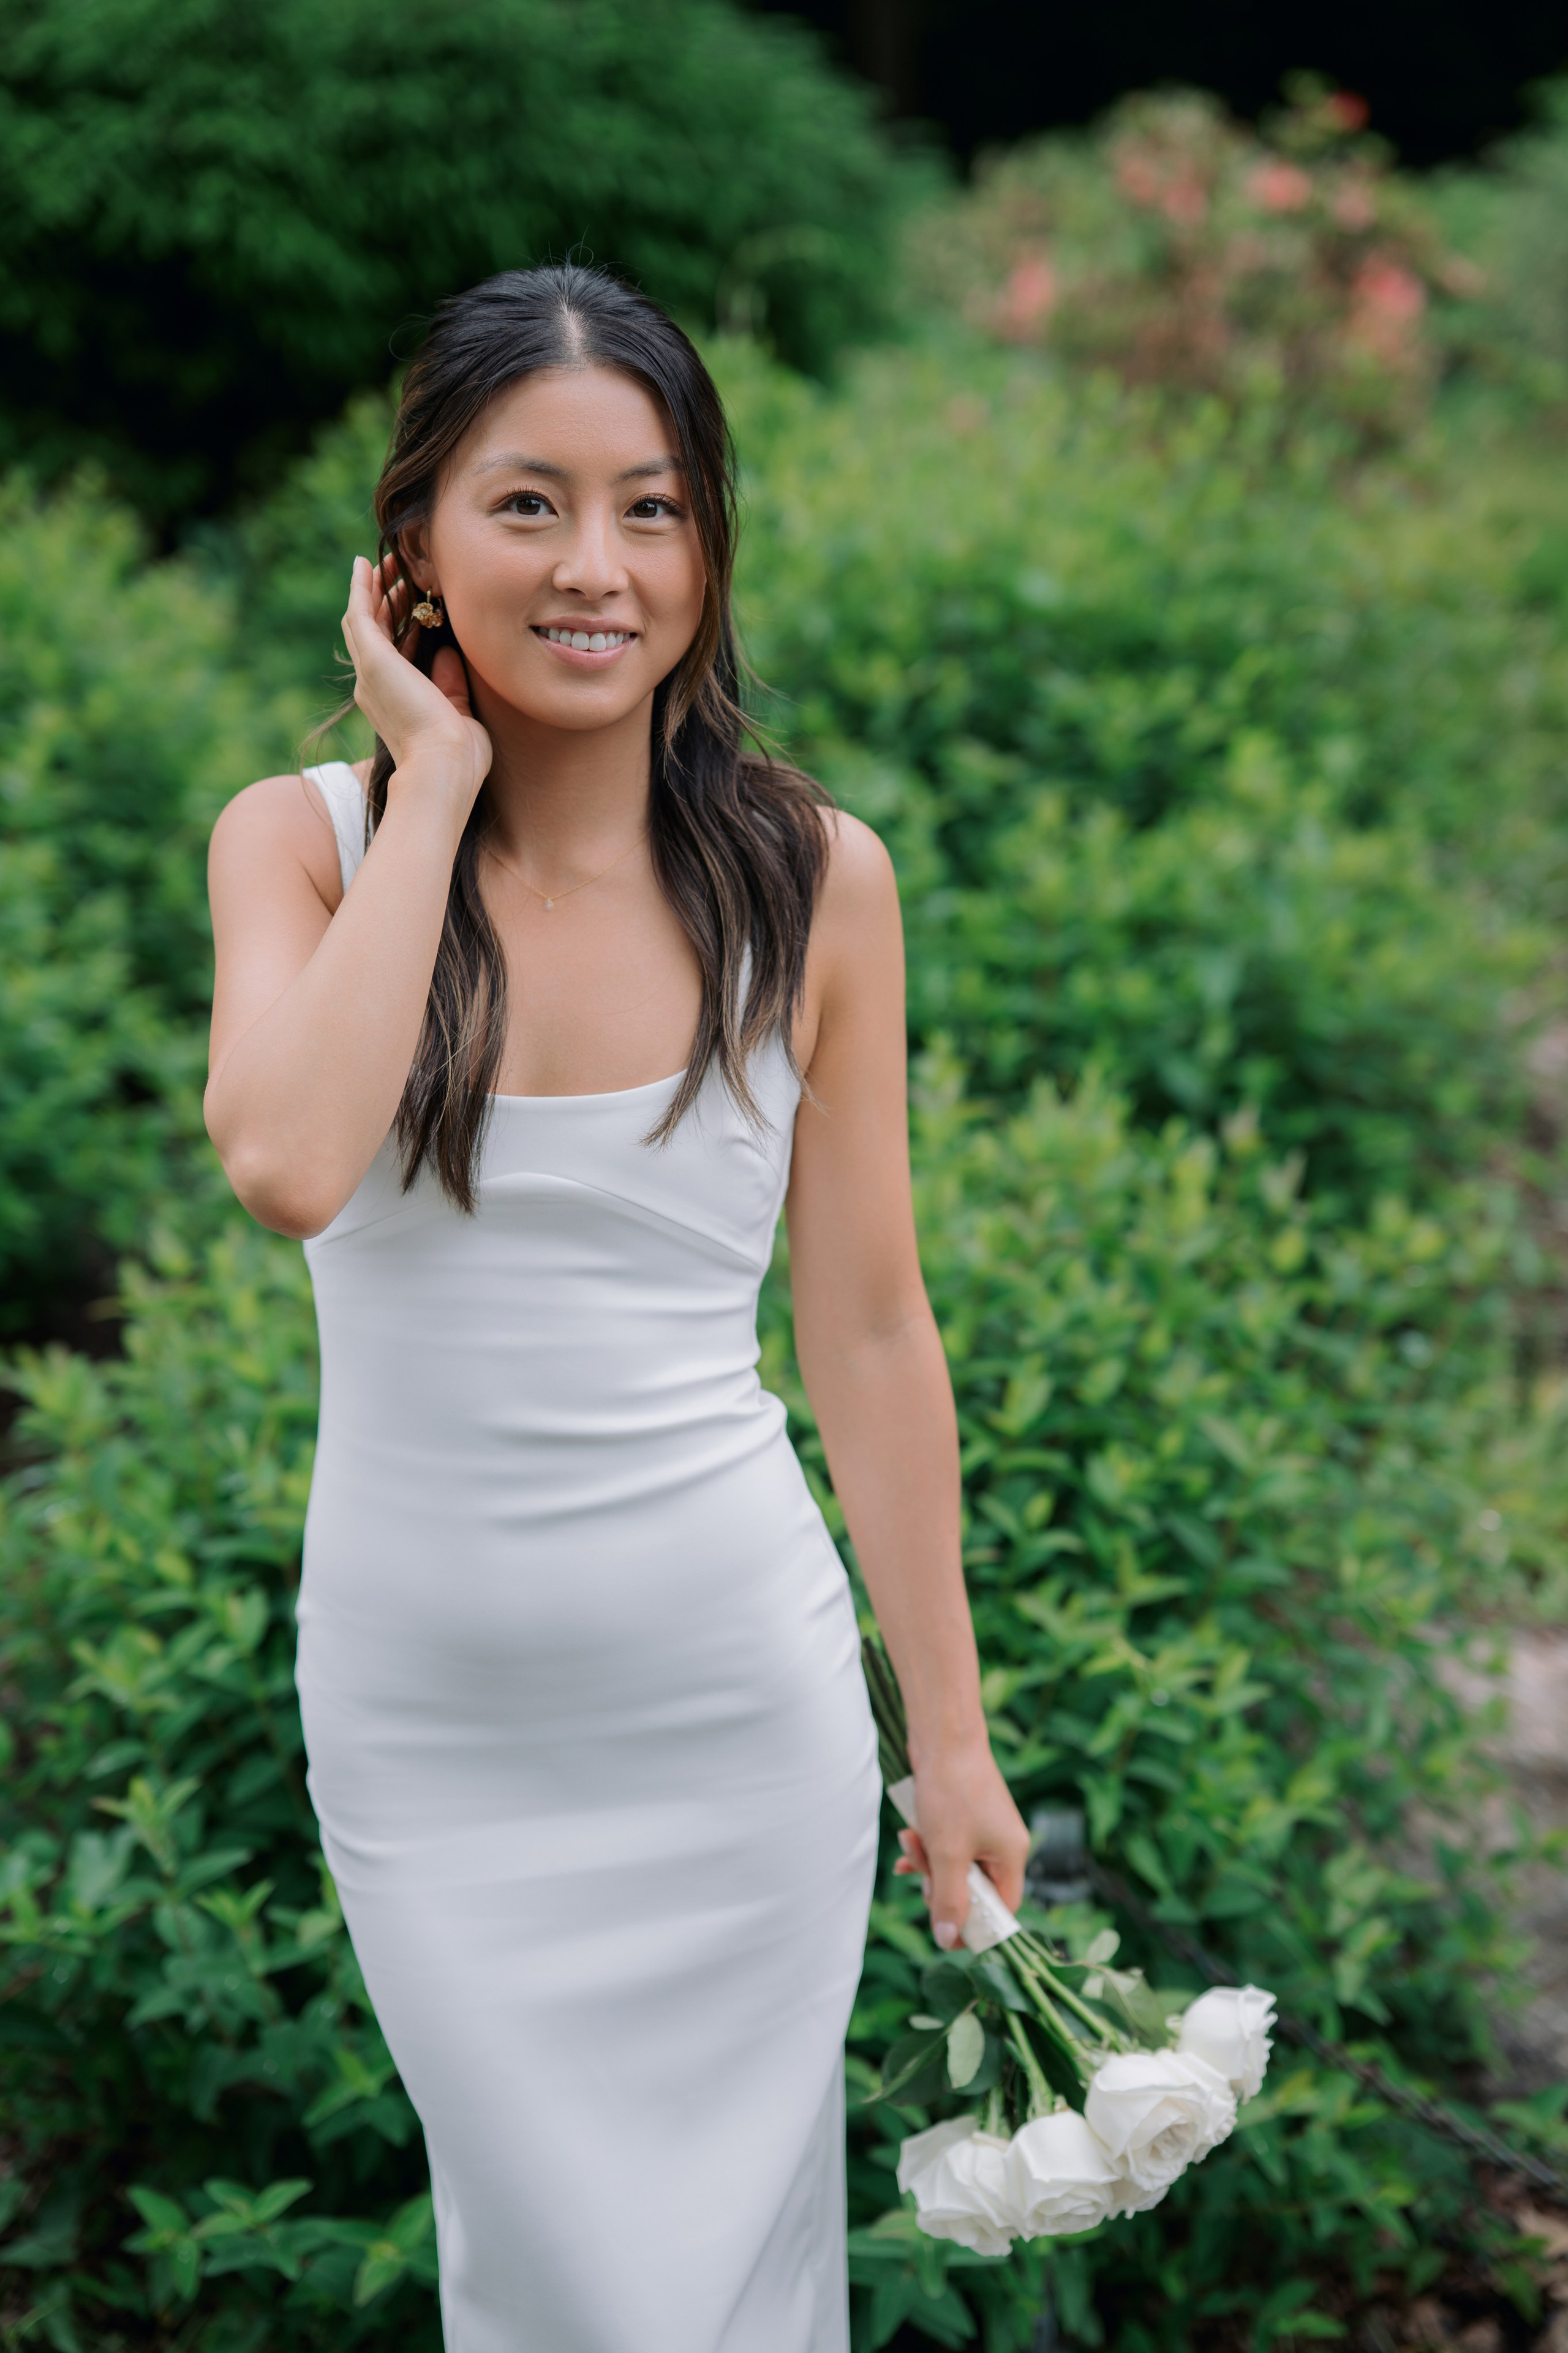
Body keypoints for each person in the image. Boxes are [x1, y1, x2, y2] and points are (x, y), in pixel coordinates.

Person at [204, 263, 1027, 2353]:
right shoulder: (299, 849)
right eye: (529, 504)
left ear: (709, 545)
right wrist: (437, 787)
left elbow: (865, 1324)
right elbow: (292, 1161)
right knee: (562, 2280)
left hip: (732, 1715)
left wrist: (950, 1739)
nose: (597, 566)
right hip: (434, 1725)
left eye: (652, 508)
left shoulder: (813, 877)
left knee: (731, 2293)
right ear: (410, 554)